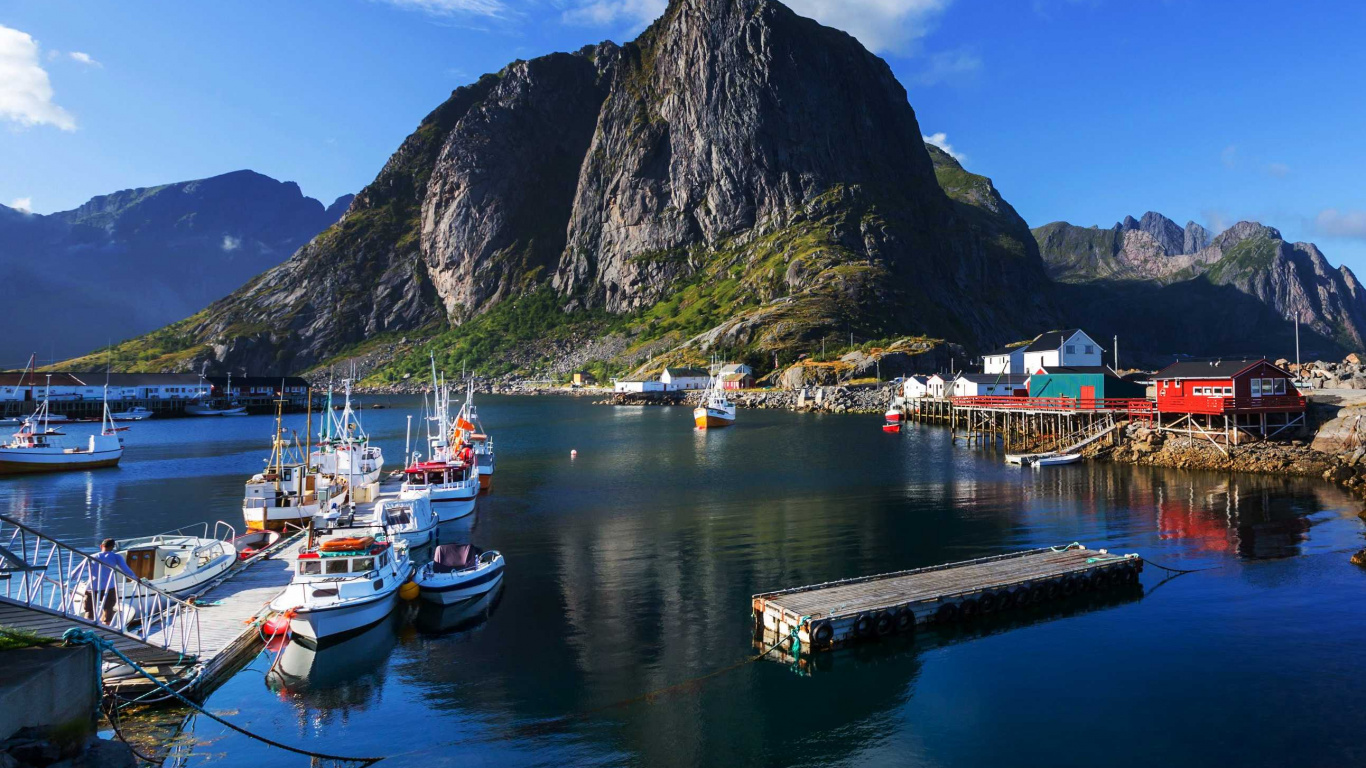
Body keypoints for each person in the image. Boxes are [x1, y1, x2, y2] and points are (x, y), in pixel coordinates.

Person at [83, 538, 137, 625]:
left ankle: (87, 627)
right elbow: (126, 570)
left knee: (89, 611)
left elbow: (77, 571)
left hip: (92, 587)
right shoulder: (116, 557)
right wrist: (135, 578)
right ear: (113, 547)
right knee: (108, 611)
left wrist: (68, 582)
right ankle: (105, 627)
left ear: (101, 546)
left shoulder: (92, 557)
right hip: (108, 588)